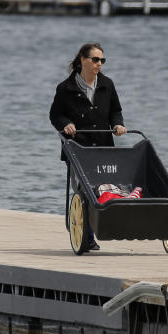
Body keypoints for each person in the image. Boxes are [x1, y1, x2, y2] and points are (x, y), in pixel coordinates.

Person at [49, 42, 126, 250]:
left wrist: (118, 124)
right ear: (83, 60)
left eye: (102, 60)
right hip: (77, 149)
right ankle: (88, 237)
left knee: (103, 189)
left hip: (103, 148)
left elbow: (115, 111)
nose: (99, 64)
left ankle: (104, 228)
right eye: (95, 59)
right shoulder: (65, 88)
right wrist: (66, 124)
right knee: (84, 191)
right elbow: (55, 115)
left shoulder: (107, 84)